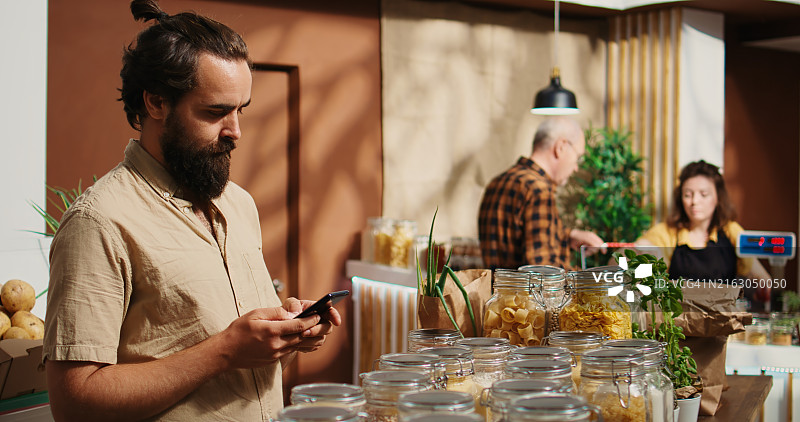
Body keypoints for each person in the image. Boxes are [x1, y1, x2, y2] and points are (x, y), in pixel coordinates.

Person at [43, 1, 341, 421]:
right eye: (216, 111)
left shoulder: (239, 205)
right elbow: (74, 404)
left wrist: (285, 338)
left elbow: (244, 371)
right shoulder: (98, 222)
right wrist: (225, 350)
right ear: (156, 103)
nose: (235, 131)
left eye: (241, 110)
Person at [478, 116, 605, 270]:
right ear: (561, 147)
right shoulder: (538, 190)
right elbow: (544, 272)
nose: (576, 168)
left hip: (494, 291)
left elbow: (517, 235)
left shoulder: (496, 182)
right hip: (525, 294)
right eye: (578, 158)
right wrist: (591, 280)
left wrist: (568, 235)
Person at [635, 160, 770, 285]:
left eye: (703, 194)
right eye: (688, 195)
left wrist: (762, 289)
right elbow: (637, 253)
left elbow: (763, 280)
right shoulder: (666, 232)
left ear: (718, 197)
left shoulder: (731, 231)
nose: (694, 201)